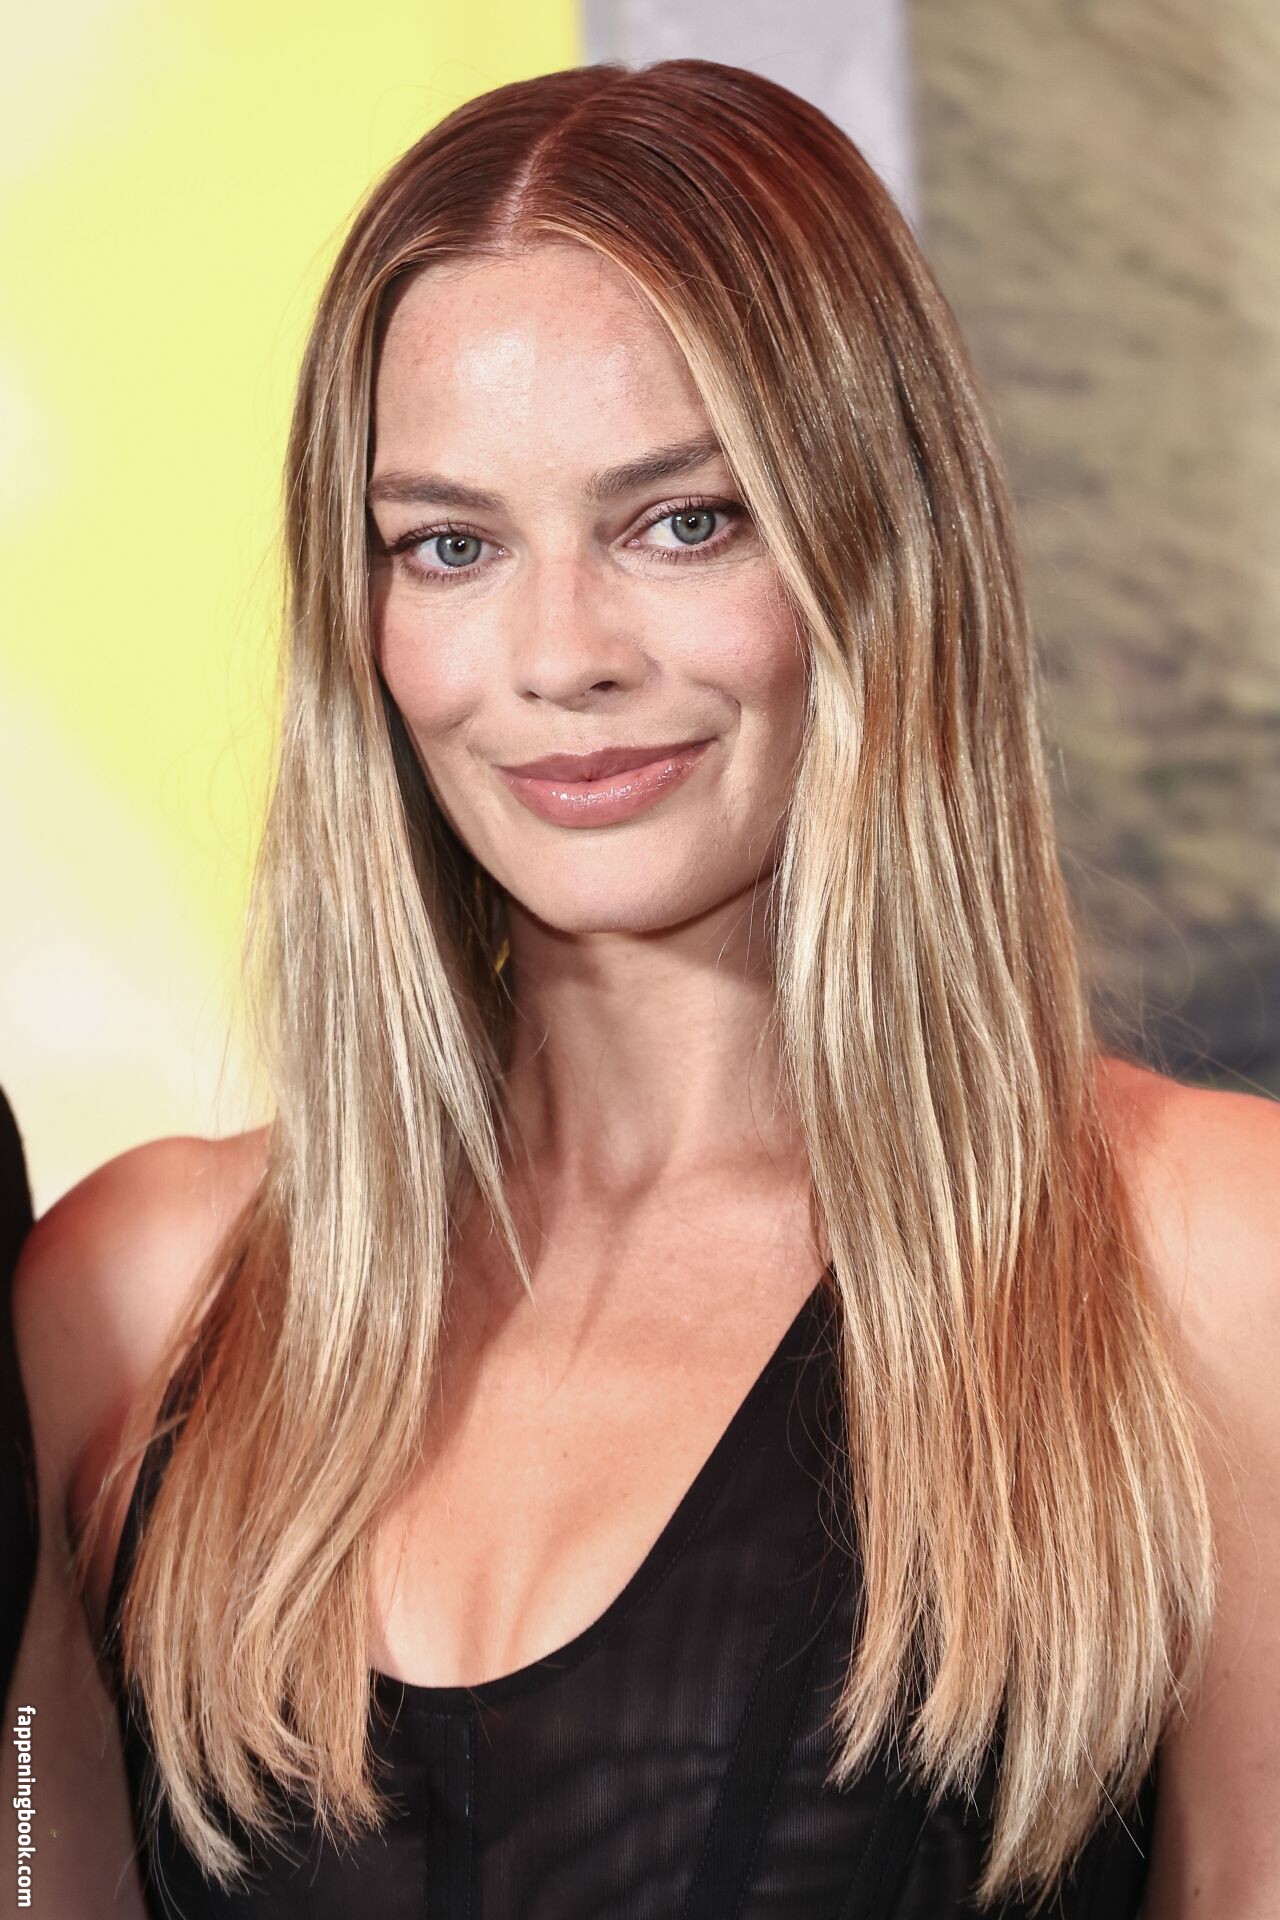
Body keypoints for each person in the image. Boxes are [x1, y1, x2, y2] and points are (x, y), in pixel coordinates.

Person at [4, 56, 1278, 1919]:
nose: (559, 656)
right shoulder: (134, 1298)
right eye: (451, 545)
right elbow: (34, 1850)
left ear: (880, 543)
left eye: (681, 521)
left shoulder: (1205, 1260)